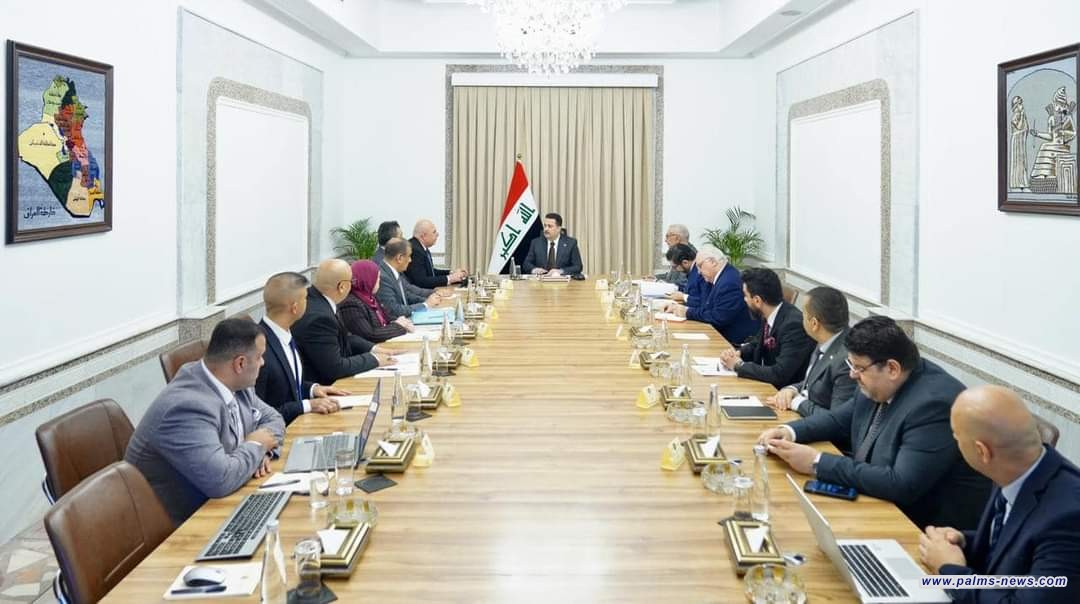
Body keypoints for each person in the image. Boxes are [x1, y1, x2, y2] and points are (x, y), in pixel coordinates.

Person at [757, 316, 991, 529]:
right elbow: (839, 420)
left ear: (892, 368)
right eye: (851, 366)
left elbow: (901, 484)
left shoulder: (933, 405)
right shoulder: (878, 381)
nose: (852, 375)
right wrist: (789, 431)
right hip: (875, 506)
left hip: (921, 530)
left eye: (858, 368)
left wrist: (816, 462)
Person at [919, 385, 1080, 603]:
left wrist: (951, 571)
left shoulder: (1069, 517)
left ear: (982, 451)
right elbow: (1015, 545)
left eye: (957, 438)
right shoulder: (1017, 468)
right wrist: (963, 542)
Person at [125, 317, 286, 526]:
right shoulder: (187, 408)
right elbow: (220, 479)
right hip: (183, 526)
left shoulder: (235, 383)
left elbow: (274, 419)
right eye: (260, 357)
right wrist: (256, 445)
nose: (263, 363)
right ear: (240, 363)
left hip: (224, 503)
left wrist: (261, 453)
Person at [254, 272, 349, 425]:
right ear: (295, 307)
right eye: (305, 298)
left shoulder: (285, 333)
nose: (309, 302)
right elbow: (257, 413)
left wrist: (312, 389)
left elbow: (287, 385)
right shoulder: (259, 349)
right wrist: (306, 405)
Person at [291, 259, 394, 385]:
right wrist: (374, 359)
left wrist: (373, 348)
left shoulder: (319, 300)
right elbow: (335, 368)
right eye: (351, 281)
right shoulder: (320, 317)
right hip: (324, 387)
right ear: (342, 287)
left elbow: (343, 337)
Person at [765, 286, 857, 419]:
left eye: (803, 315)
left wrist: (797, 402)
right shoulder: (827, 339)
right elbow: (814, 382)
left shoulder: (847, 360)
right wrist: (792, 390)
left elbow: (837, 420)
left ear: (814, 324)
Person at [720, 267, 815, 388]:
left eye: (745, 296)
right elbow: (757, 344)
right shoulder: (771, 312)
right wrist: (738, 353)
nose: (744, 300)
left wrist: (739, 366)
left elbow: (779, 374)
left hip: (781, 392)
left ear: (757, 300)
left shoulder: (793, 326)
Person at [661, 246, 758, 345]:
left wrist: (687, 312)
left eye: (700, 266)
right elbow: (705, 306)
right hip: (719, 334)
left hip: (731, 341)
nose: (698, 272)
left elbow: (718, 317)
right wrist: (681, 309)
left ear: (713, 262)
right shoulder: (721, 276)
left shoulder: (729, 282)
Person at [340, 260, 414, 343]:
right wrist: (400, 326)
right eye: (377, 277)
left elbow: (387, 318)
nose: (379, 281)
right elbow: (370, 335)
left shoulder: (371, 297)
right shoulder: (351, 304)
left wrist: (403, 322)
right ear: (368, 279)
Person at [377, 238, 443, 319]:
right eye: (409, 256)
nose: (410, 260)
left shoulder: (393, 271)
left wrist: (428, 300)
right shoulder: (382, 277)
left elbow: (406, 295)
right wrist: (425, 305)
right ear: (400, 258)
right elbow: (395, 310)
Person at [406, 219, 467, 288]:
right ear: (423, 236)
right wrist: (450, 278)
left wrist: (451, 273)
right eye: (434, 232)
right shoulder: (415, 250)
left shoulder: (421, 247)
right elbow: (422, 281)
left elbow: (430, 271)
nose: (437, 234)